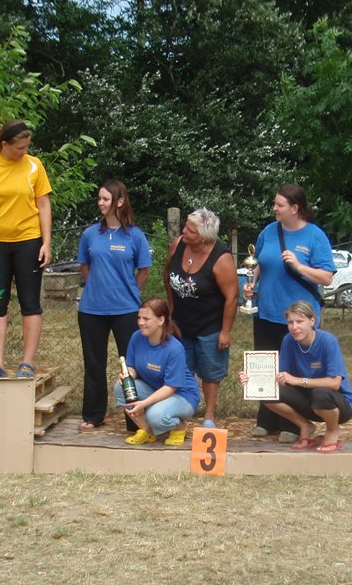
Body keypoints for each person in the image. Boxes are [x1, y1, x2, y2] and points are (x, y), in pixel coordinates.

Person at [243, 184, 336, 441]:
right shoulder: (268, 232)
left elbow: (326, 277)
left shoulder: (315, 236)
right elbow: (258, 264)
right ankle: (266, 419)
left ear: (295, 208)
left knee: (292, 368)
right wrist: (250, 285)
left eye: (279, 205)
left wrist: (298, 266)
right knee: (265, 366)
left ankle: (293, 424)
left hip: (297, 319)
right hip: (266, 312)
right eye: (274, 203)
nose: (274, 208)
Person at [0, 120, 52, 379]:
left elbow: (43, 204)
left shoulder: (34, 165)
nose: (24, 151)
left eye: (27, 146)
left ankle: (27, 363)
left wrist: (46, 243)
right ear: (4, 144)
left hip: (29, 241)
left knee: (30, 302)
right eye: (19, 148)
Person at [76, 180, 152, 430]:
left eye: (105, 199)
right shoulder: (90, 234)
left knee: (130, 366)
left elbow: (144, 270)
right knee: (94, 364)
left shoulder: (135, 235)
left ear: (119, 202)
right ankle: (93, 416)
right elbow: (85, 266)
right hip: (91, 310)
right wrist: (97, 287)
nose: (100, 203)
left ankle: (134, 420)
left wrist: (129, 291)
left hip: (126, 310)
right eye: (99, 198)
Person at [239, 301, 352, 453]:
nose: (294, 327)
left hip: (339, 404)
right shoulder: (288, 340)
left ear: (312, 321)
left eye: (300, 322)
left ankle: (332, 430)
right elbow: (281, 378)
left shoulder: (328, 341)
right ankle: (305, 426)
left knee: (320, 393)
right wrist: (253, 380)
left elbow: (335, 383)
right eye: (290, 322)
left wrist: (299, 381)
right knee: (267, 392)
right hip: (309, 401)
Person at [165, 207, 238, 428]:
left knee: (210, 373)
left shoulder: (221, 259)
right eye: (186, 227)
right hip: (181, 324)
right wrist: (171, 313)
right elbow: (167, 276)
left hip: (210, 326)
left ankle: (209, 416)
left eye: (191, 231)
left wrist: (225, 331)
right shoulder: (178, 245)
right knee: (180, 370)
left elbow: (232, 297)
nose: (184, 232)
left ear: (204, 237)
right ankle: (180, 413)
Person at [113, 298, 200, 446]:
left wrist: (144, 404)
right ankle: (148, 431)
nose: (141, 322)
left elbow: (171, 387)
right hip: (156, 389)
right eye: (139, 318)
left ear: (161, 320)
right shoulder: (136, 337)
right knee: (121, 387)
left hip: (183, 395)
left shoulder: (175, 348)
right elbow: (132, 367)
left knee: (155, 415)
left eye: (146, 319)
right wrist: (129, 375)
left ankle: (180, 426)